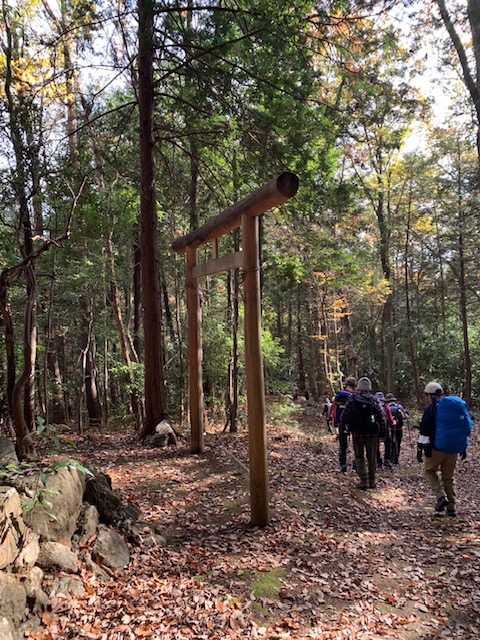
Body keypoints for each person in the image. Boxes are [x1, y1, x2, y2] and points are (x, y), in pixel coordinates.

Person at [417, 382, 472, 517]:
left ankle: (441, 497)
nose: (426, 398)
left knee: (429, 471)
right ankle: (451, 508)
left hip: (436, 448)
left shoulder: (431, 409)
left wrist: (420, 449)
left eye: (426, 395)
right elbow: (462, 427)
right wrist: (463, 447)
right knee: (448, 478)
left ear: (430, 396)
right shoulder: (454, 407)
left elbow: (424, 430)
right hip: (453, 449)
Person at [340, 377, 387, 489]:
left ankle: (363, 479)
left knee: (359, 456)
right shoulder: (374, 399)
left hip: (357, 432)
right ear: (369, 388)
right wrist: (383, 432)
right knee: (372, 457)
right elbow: (381, 417)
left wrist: (343, 428)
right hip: (372, 433)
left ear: (359, 387)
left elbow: (345, 415)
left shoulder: (352, 399)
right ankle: (372, 480)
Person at [330, 377, 356, 472]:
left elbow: (333, 408)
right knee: (356, 444)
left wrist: (333, 421)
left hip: (341, 422)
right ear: (354, 386)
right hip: (353, 422)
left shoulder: (339, 395)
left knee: (343, 445)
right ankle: (356, 464)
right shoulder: (354, 396)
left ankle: (343, 465)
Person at [385, 394, 408, 464]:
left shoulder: (386, 407)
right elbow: (405, 417)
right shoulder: (399, 407)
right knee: (398, 442)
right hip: (399, 428)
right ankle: (396, 458)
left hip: (389, 428)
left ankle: (390, 458)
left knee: (390, 443)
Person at [375, 392, 395, 468]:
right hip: (385, 427)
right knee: (388, 443)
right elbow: (390, 419)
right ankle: (387, 460)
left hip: (375, 428)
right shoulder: (386, 407)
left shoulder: (373, 405)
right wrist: (393, 422)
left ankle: (378, 461)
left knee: (376, 445)